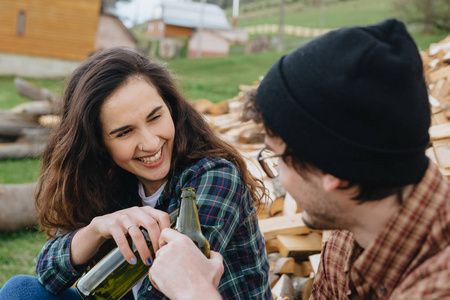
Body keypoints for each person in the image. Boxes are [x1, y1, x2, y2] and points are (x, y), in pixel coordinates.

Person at [147, 18, 450, 299]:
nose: (277, 175)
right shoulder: (348, 232)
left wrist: (196, 293)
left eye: (278, 158)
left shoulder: (436, 285)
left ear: (333, 172)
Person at [0, 47, 272, 300]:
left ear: (171, 108)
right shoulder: (108, 181)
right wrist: (95, 230)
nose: (151, 143)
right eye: (125, 132)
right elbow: (48, 274)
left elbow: (165, 291)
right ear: (98, 143)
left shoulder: (214, 177)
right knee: (20, 291)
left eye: (155, 118)